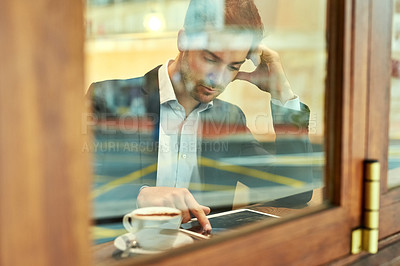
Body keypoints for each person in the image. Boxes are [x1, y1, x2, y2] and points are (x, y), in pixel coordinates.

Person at [89, 0, 313, 233]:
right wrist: (140, 196)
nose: (218, 79)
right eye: (211, 59)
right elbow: (68, 190)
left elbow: (295, 192)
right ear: (183, 40)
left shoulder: (229, 118)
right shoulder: (107, 99)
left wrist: (282, 94)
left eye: (233, 66)